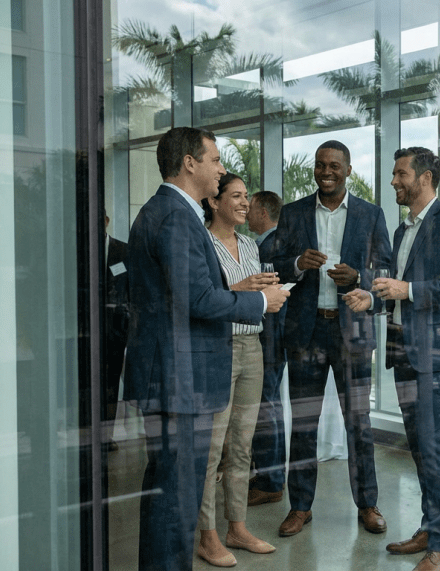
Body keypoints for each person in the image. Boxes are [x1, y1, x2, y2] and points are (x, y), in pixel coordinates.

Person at [124, 127, 288, 571]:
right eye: (214, 159)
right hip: (182, 380)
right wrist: (259, 301)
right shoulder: (176, 217)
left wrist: (236, 291)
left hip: (175, 376)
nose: (220, 168)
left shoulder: (165, 212)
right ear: (189, 163)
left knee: (169, 498)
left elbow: (182, 294)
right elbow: (194, 300)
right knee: (175, 502)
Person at [344, 146, 440, 571]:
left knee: (433, 447)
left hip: (438, 356)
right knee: (420, 448)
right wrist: (373, 297)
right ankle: (429, 527)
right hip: (404, 349)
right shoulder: (404, 231)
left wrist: (410, 291)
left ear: (424, 178)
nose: (393, 182)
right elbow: (398, 293)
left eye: (400, 174)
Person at [271, 140, 392, 538]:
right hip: (306, 332)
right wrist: (296, 264)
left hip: (352, 334)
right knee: (303, 423)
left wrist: (358, 277)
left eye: (335, 166)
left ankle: (368, 504)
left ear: (348, 171)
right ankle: (300, 507)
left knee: (359, 422)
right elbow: (272, 265)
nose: (327, 172)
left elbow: (387, 272)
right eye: (321, 165)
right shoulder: (292, 213)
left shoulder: (370, 216)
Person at [195, 173, 280, 567]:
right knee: (213, 448)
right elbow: (206, 299)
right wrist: (245, 289)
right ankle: (207, 536)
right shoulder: (203, 243)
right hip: (218, 347)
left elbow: (251, 294)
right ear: (215, 202)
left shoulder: (249, 243)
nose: (245, 203)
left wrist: (268, 292)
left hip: (252, 347)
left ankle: (237, 527)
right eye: (236, 196)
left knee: (242, 445)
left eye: (247, 196)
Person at [245, 190, 289, 506]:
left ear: (262, 211)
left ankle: (270, 480)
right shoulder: (271, 244)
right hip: (273, 338)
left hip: (269, 338)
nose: (245, 213)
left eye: (249, 207)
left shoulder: (270, 248)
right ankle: (267, 476)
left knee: (266, 406)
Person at [102, 212, 128, 452]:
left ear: (107, 221)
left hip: (116, 331)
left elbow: (131, 289)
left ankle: (106, 436)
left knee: (110, 385)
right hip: (87, 331)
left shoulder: (124, 251)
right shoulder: (77, 248)